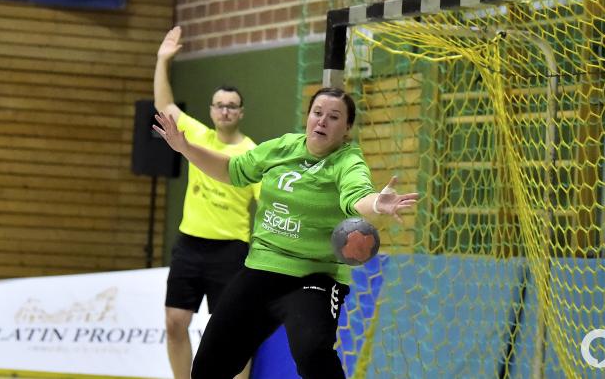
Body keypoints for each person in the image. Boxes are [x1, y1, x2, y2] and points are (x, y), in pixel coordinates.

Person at [152, 87, 418, 379]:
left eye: (333, 117)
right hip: (262, 270)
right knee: (207, 367)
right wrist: (185, 148)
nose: (322, 121)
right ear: (308, 117)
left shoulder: (348, 162)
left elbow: (356, 196)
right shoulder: (283, 147)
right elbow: (232, 169)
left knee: (312, 352)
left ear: (347, 129)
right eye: (317, 113)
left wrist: (377, 203)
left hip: (314, 277)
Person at [154, 26, 259, 379]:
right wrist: (162, 59)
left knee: (233, 329)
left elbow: (269, 202)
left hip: (231, 249)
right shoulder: (196, 135)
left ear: (241, 112)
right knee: (174, 321)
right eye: (220, 105)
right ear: (211, 110)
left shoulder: (252, 154)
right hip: (190, 246)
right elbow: (163, 105)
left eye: (232, 106)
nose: (225, 111)